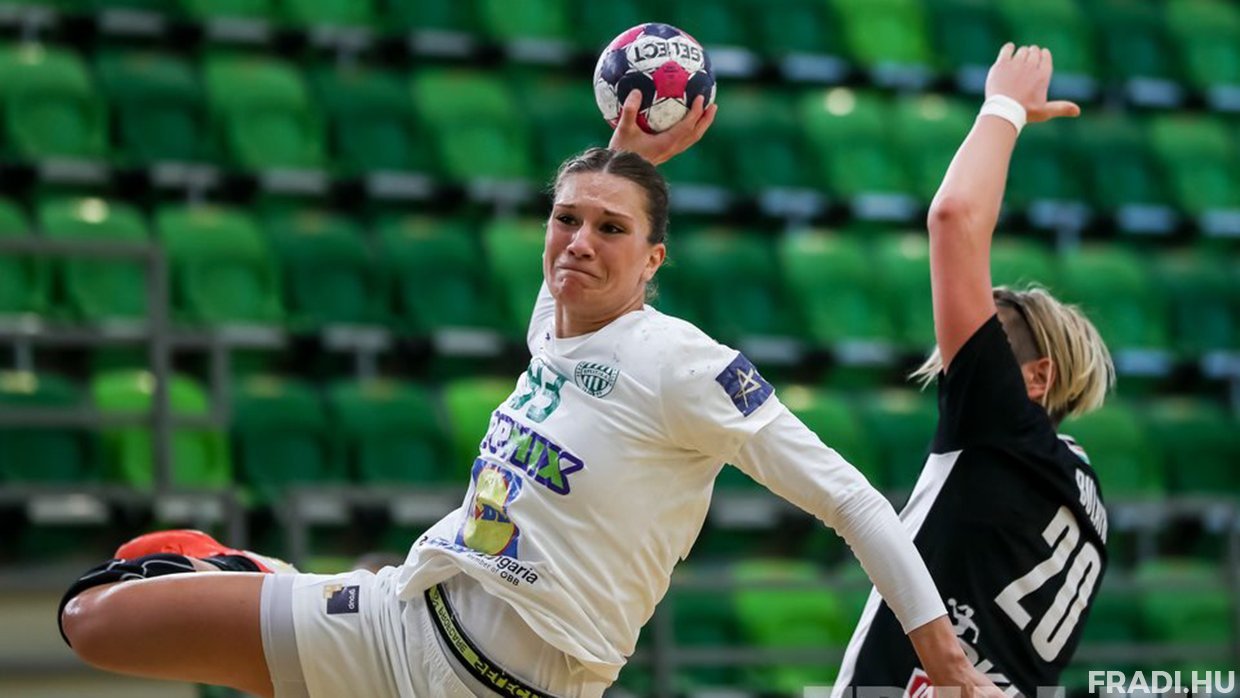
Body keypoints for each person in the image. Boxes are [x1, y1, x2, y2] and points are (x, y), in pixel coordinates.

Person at [57, 91, 1002, 698]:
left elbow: (852, 502)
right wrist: (625, 155)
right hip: (399, 623)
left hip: (517, 687)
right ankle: (248, 571)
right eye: (564, 220)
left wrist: (945, 659)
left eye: (611, 230)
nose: (579, 242)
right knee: (91, 619)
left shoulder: (682, 364)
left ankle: (256, 574)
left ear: (655, 261)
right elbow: (585, 241)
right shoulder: (554, 325)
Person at [830, 44, 1115, 698]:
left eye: (983, 348)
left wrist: (1004, 105)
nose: (956, 358)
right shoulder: (1090, 504)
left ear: (1036, 378)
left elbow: (954, 218)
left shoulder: (1004, 427)